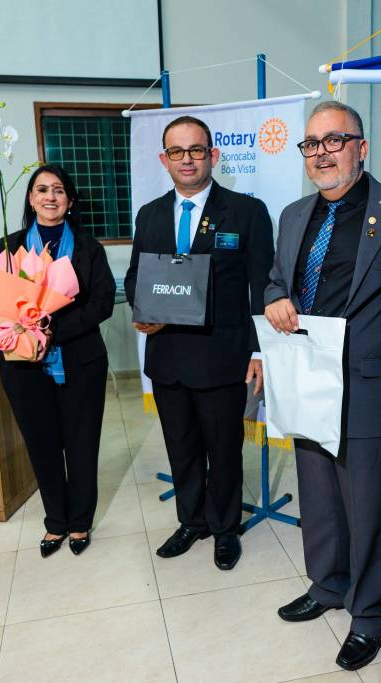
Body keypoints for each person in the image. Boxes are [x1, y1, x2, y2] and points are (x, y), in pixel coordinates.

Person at [263, 101, 381, 672]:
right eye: (311, 144)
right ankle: (328, 584)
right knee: (318, 493)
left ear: (361, 148)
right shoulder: (294, 214)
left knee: (366, 503)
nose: (321, 153)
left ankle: (371, 613)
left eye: (334, 140)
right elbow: (278, 279)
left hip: (368, 378)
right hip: (306, 374)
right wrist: (275, 297)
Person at [124, 115, 274, 571]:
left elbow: (262, 285)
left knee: (224, 449)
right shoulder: (150, 214)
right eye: (177, 151)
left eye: (196, 150)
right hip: (167, 354)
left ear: (213, 154)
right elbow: (136, 276)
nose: (186, 159)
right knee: (181, 446)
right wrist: (142, 310)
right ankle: (191, 521)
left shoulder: (246, 212)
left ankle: (225, 528)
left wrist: (259, 350)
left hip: (222, 356)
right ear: (163, 159)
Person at [0, 164, 115, 558]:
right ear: (31, 198)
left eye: (58, 190)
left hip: (81, 361)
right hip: (23, 365)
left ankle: (80, 522)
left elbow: (102, 304)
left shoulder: (89, 248)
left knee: (81, 443)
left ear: (70, 200)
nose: (50, 197)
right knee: (41, 445)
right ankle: (55, 521)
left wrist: (52, 330)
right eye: (42, 189)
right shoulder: (10, 246)